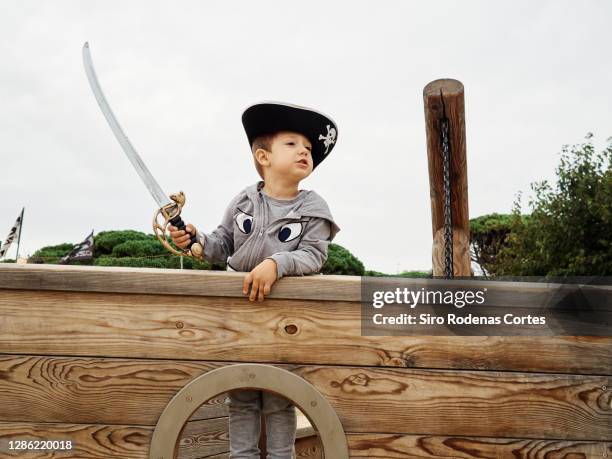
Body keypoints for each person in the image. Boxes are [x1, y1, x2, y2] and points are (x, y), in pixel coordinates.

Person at [169, 101, 340, 458]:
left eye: (309, 148)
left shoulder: (313, 208)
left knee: (279, 397)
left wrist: (276, 264)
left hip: (284, 317)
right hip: (239, 315)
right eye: (292, 144)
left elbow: (314, 255)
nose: (305, 151)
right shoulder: (244, 199)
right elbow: (220, 245)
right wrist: (195, 240)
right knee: (242, 395)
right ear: (263, 156)